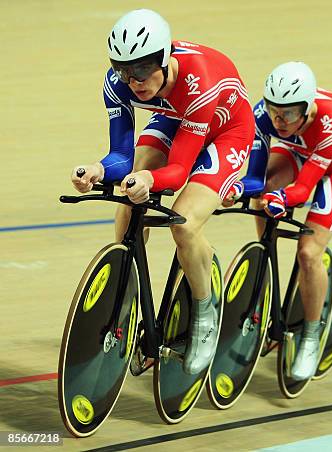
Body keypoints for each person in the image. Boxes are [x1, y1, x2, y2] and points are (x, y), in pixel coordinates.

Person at [70, 9, 255, 375]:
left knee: (184, 224)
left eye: (141, 70)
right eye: (123, 69)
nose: (132, 80)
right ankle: (126, 297)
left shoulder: (196, 79)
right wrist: (98, 170)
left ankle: (205, 313)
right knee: (127, 196)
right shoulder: (118, 83)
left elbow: (178, 172)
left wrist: (150, 180)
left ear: (164, 60)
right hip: (175, 117)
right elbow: (122, 156)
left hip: (225, 131)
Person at [228, 61, 332, 380]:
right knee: (265, 198)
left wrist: (283, 199)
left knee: (308, 253)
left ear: (308, 108)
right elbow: (257, 178)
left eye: (288, 113)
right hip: (298, 151)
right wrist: (235, 187)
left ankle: (311, 335)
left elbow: (303, 188)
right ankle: (266, 266)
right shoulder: (263, 115)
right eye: (275, 110)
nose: (279, 120)